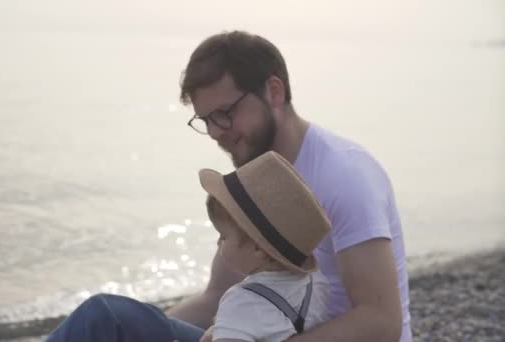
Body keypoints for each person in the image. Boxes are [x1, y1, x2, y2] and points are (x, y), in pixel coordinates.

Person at [47, 30, 411, 341]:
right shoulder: (258, 176)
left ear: (274, 91)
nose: (217, 133)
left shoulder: (343, 174)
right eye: (206, 120)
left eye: (225, 113)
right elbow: (216, 296)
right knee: (114, 323)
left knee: (106, 315)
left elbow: (381, 323)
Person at [198, 151, 331, 341]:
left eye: (224, 236)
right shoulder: (316, 282)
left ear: (258, 248)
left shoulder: (242, 302)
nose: (218, 243)